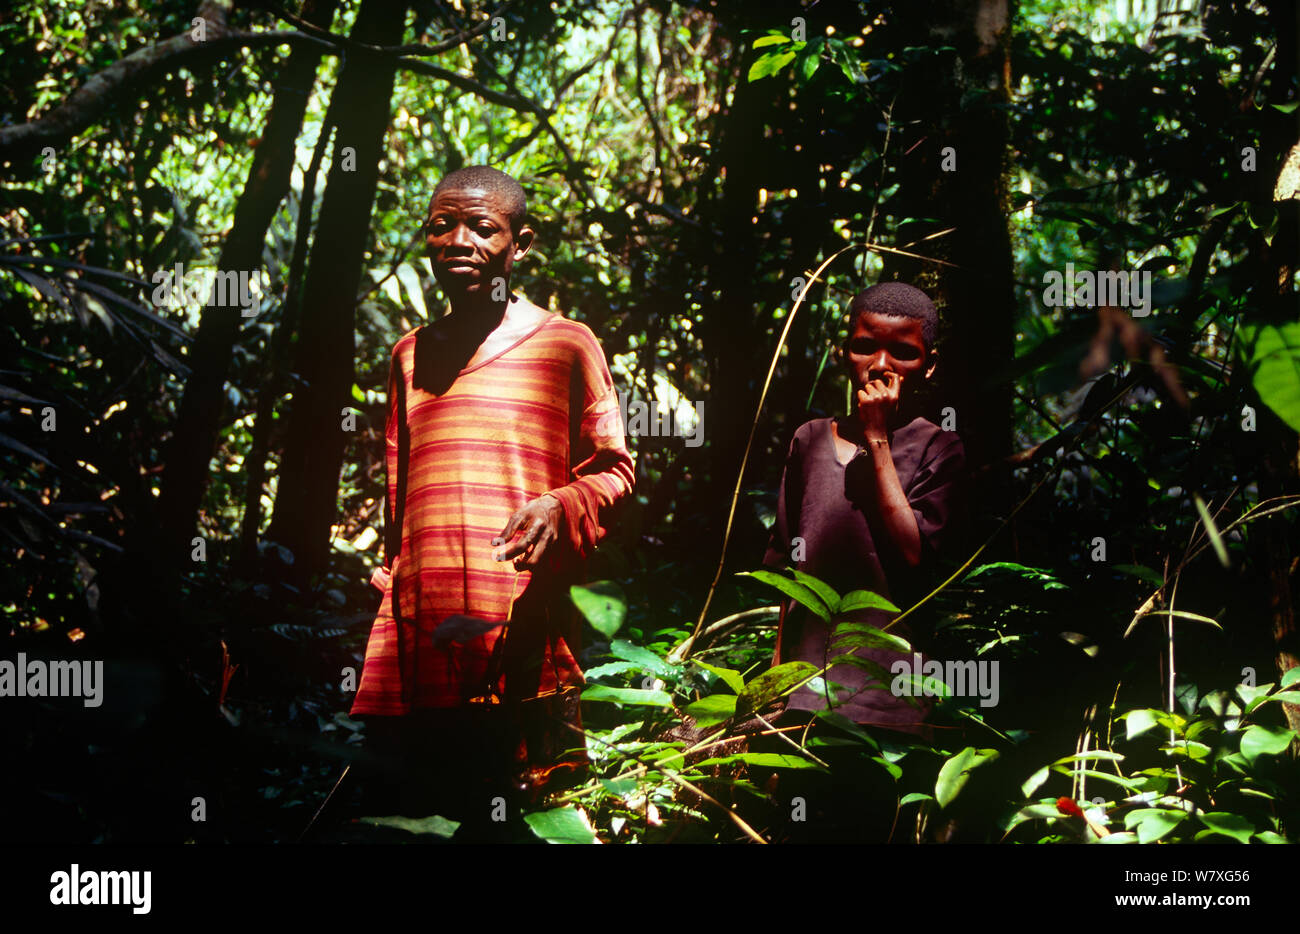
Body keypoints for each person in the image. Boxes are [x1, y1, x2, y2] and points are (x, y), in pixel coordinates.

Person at [348, 166, 634, 838]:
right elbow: (400, 504)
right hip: (424, 642)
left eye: (482, 227)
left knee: (528, 821)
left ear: (521, 245)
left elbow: (616, 468)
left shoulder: (566, 344)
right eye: (442, 225)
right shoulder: (408, 357)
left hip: (522, 636)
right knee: (420, 821)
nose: (458, 240)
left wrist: (563, 504)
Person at [757, 281, 965, 842]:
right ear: (840, 350)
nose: (880, 365)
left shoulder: (938, 447)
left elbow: (913, 555)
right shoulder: (809, 440)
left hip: (890, 706)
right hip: (805, 703)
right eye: (863, 346)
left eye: (903, 352)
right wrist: (775, 692)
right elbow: (786, 579)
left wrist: (876, 438)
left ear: (929, 362)